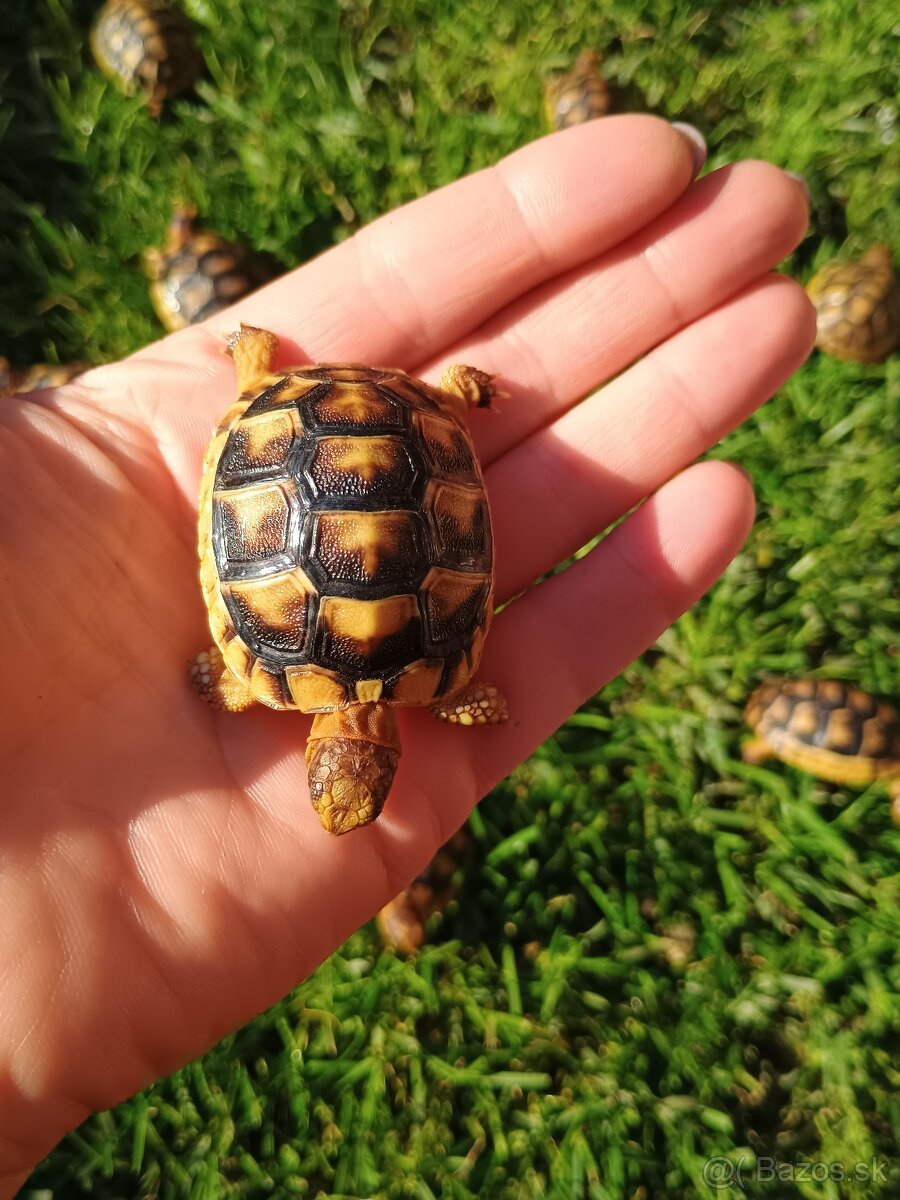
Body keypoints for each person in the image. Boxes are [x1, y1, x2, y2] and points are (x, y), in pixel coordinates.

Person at [0, 115, 812, 1190]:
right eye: (362, 783)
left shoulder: (367, 675)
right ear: (359, 755)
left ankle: (319, 384)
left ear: (360, 755)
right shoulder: (310, 675)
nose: (356, 786)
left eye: (353, 782)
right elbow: (240, 665)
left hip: (311, 431)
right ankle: (334, 387)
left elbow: (254, 664)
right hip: (343, 434)